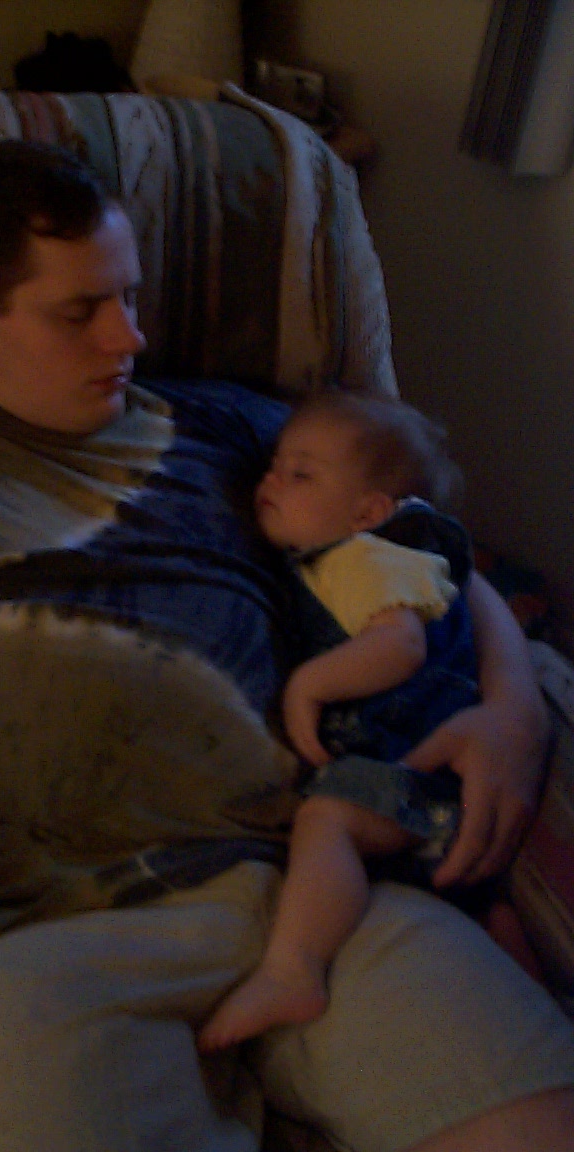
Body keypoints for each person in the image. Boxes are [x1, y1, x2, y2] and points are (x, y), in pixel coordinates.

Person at [0, 139, 573, 1152]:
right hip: (37, 948)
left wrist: (511, 708)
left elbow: (420, 543)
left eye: (129, 295)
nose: (130, 335)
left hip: (313, 892)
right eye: (80, 310)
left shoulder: (236, 429)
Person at [199, 391, 480, 1050]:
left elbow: (400, 645)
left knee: (326, 820)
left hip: (415, 775)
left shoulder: (366, 559)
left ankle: (293, 971)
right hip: (410, 781)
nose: (271, 481)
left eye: (300, 475)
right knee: (489, 917)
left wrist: (309, 686)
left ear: (367, 514)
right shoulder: (337, 563)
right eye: (275, 466)